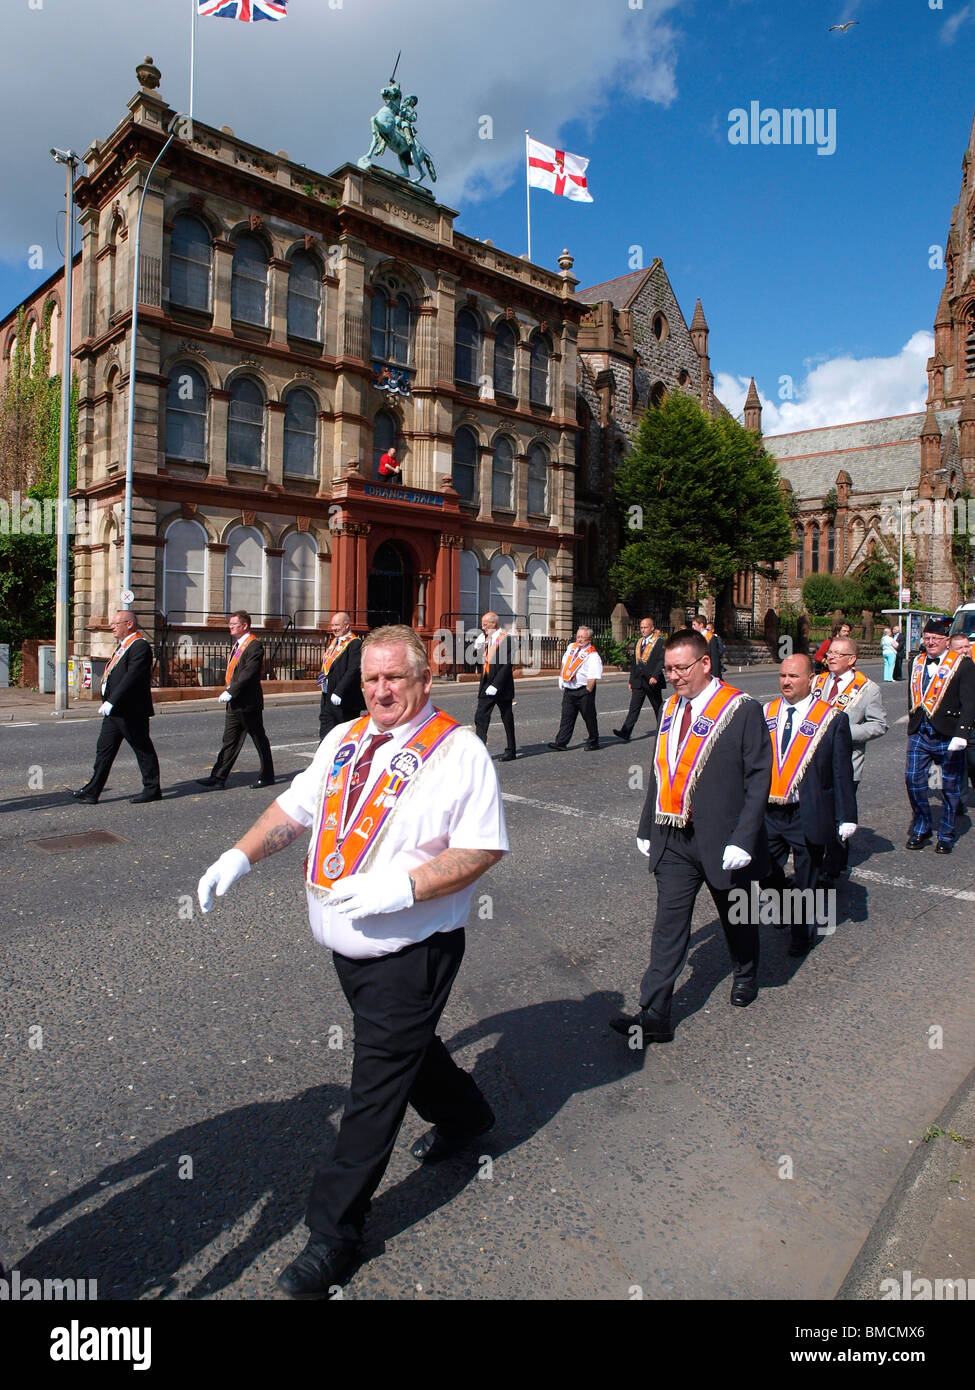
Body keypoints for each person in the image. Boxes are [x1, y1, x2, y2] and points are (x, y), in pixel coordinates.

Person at [197, 625, 508, 1298]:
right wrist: (239, 855)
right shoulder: (345, 740)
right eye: (371, 678)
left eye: (395, 677)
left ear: (425, 680)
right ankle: (465, 1116)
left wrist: (406, 885)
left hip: (412, 948)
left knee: (373, 1086)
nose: (381, 689)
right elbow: (292, 810)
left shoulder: (459, 752)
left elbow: (481, 848)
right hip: (347, 946)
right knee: (403, 1049)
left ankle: (336, 1233)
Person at [609, 629, 772, 1044]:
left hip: (723, 838)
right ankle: (655, 1011)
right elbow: (660, 771)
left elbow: (758, 779)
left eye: (682, 668)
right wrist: (647, 825)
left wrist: (744, 837)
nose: (675, 677)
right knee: (668, 925)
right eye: (668, 669)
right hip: (674, 836)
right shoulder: (669, 708)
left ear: (705, 664)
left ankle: (747, 972)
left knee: (736, 914)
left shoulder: (741, 709)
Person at [762, 654, 858, 956]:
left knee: (807, 880)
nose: (786, 682)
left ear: (810, 680)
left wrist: (846, 816)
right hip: (771, 811)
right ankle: (781, 904)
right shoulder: (767, 712)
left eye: (793, 676)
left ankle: (801, 934)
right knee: (763, 870)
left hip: (808, 811)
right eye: (782, 676)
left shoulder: (832, 719)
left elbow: (842, 771)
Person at [812, 636, 888, 878]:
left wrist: (844, 732)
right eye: (830, 653)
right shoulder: (817, 681)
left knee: (838, 817)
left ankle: (834, 866)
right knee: (815, 814)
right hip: (813, 762)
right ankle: (816, 863)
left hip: (845, 764)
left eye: (837, 654)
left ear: (852, 659)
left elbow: (878, 725)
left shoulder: (868, 688)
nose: (830, 657)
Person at [73, 610, 161, 805]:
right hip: (115, 711)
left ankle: (152, 788)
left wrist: (112, 700)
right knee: (104, 749)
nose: (112, 626)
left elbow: (132, 677)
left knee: (142, 748)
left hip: (130, 710)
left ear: (129, 624)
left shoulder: (139, 646)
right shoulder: (123, 647)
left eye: (116, 623)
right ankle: (93, 790)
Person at [905, 619, 975, 852]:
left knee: (950, 787)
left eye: (936, 639)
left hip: (948, 733)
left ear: (946, 641)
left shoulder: (962, 664)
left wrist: (962, 733)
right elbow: (913, 696)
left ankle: (946, 833)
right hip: (920, 731)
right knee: (913, 781)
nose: (931, 642)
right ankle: (922, 825)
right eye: (927, 638)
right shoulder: (915, 661)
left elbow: (969, 702)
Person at [196, 612, 274, 791]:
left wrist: (231, 691)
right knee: (229, 740)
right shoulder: (238, 645)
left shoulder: (254, 645)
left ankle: (267, 775)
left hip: (248, 702)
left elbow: (249, 672)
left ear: (244, 625)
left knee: (258, 739)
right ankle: (218, 777)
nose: (230, 626)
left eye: (234, 624)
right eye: (230, 624)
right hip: (235, 702)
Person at [549, 626, 603, 751]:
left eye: (582, 637)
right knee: (567, 716)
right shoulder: (571, 647)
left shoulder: (593, 655)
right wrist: (561, 677)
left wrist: (587, 691)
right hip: (569, 689)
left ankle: (594, 741)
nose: (579, 640)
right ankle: (561, 742)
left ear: (589, 639)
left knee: (589, 717)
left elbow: (593, 677)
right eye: (578, 637)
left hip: (584, 690)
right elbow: (564, 662)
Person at [473, 611, 517, 761]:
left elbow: (506, 665)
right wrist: (477, 648)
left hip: (501, 685)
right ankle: (480, 750)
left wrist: (496, 685)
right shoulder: (486, 638)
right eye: (482, 624)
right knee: (480, 716)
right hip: (486, 682)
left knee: (506, 717)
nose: (483, 627)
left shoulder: (507, 639)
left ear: (494, 624)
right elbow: (481, 661)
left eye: (485, 624)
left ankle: (511, 750)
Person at [613, 618, 666, 741]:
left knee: (657, 706)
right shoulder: (639, 641)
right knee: (634, 707)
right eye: (641, 627)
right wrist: (631, 680)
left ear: (652, 628)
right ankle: (626, 731)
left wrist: (655, 675)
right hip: (638, 680)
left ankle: (664, 729)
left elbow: (661, 660)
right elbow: (634, 663)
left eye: (645, 627)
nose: (643, 630)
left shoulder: (659, 642)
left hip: (652, 680)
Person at [317, 612, 365, 742]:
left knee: (345, 737)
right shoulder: (334, 642)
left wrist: (339, 691)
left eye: (337, 625)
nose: (334, 628)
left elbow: (353, 670)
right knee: (326, 737)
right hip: (328, 697)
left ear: (347, 625)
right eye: (332, 625)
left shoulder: (355, 643)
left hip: (344, 699)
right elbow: (328, 664)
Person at [949, 633, 975, 807]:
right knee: (958, 767)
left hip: (973, 726)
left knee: (973, 762)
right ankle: (958, 803)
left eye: (967, 647)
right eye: (960, 648)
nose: (965, 651)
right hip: (956, 726)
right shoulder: (946, 673)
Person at [691, 613, 723, 680]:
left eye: (694, 624)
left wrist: (715, 675)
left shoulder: (711, 637)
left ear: (701, 625)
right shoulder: (695, 637)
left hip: (709, 671)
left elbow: (714, 657)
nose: (692, 627)